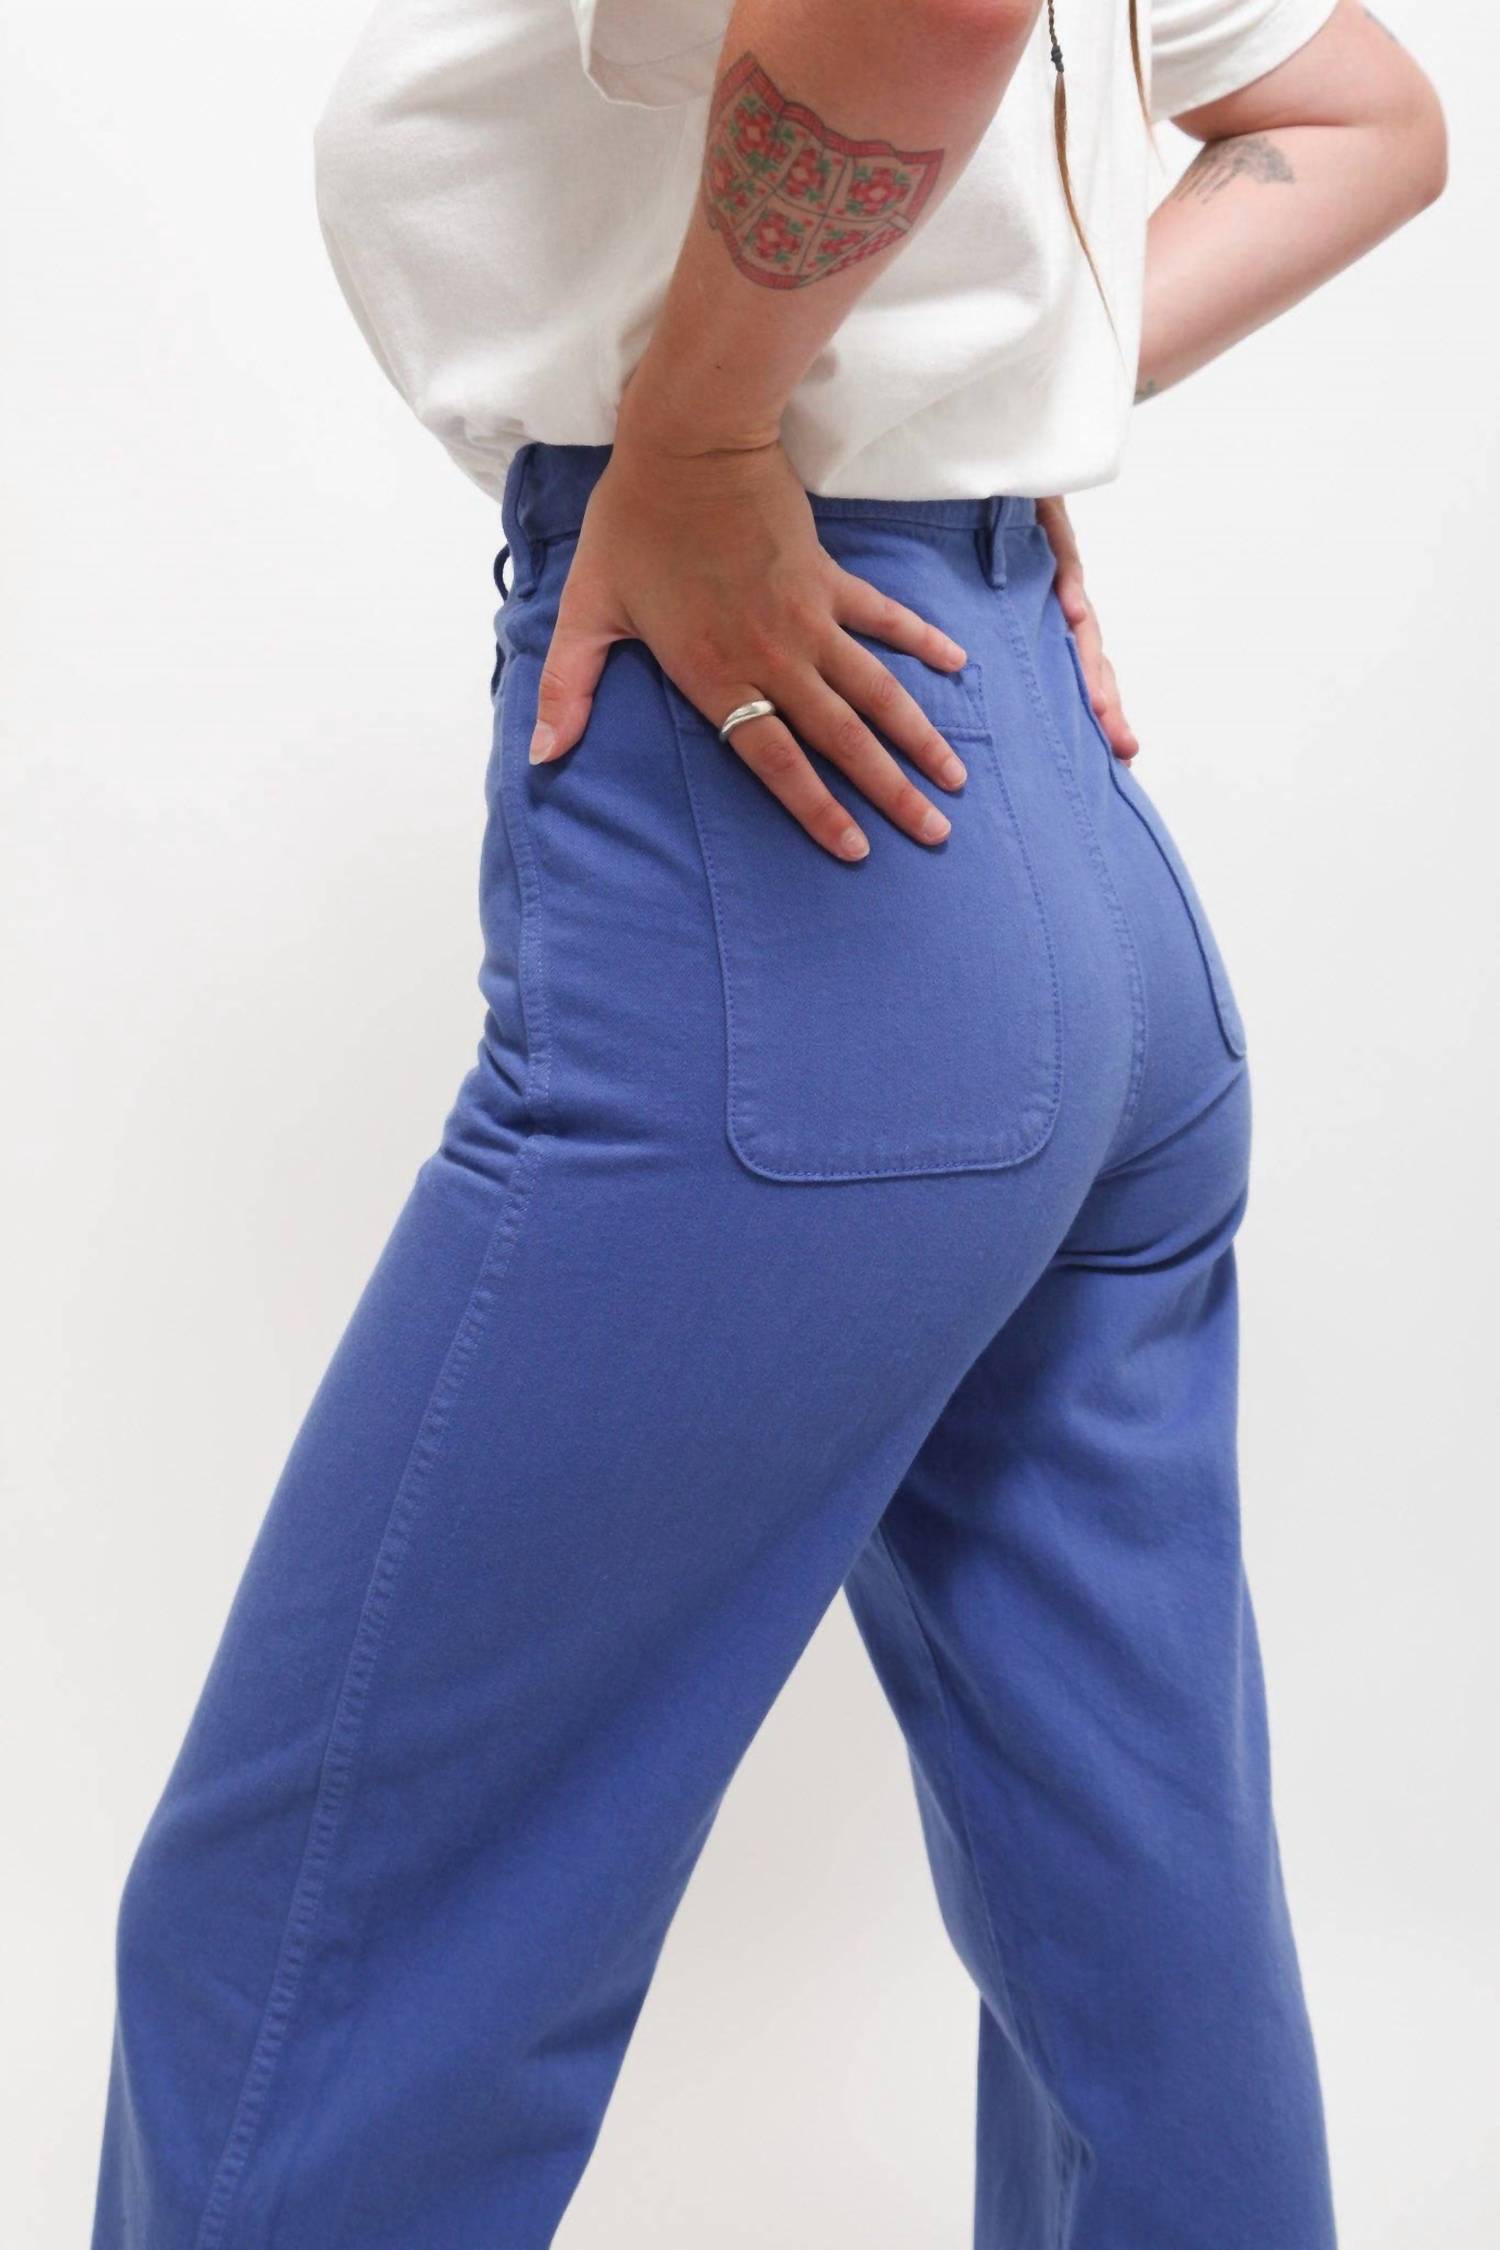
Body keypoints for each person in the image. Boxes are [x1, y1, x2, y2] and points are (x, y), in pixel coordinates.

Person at [91, 3, 1446, 2245]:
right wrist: (993, 413)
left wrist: (713, 433)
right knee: (1140, 1931)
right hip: (1035, 809)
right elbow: (1360, 115)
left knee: (326, 1965)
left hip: (790, 834)